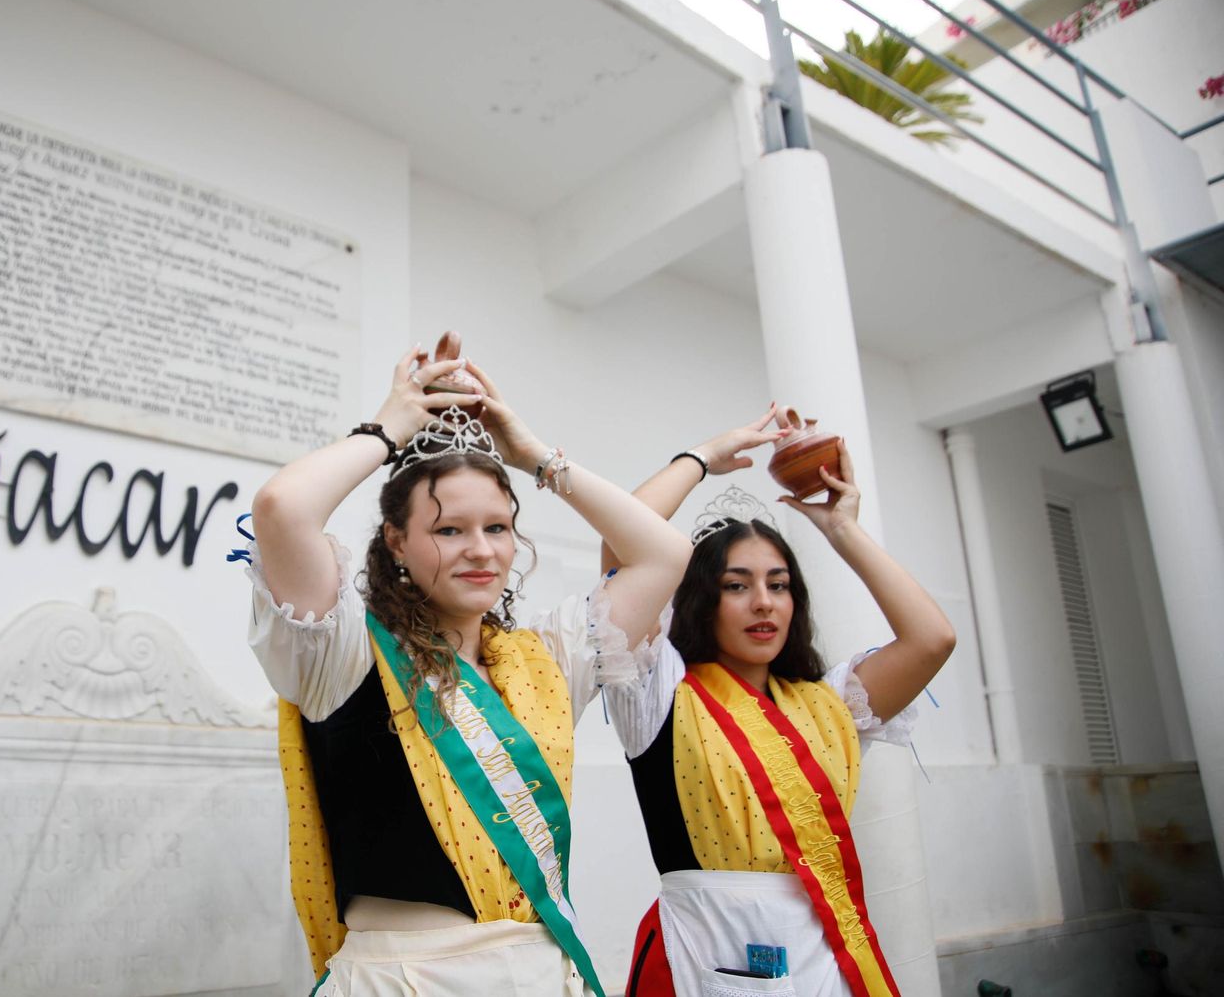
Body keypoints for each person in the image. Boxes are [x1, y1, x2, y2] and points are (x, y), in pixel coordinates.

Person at [246, 343, 693, 996]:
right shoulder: (344, 654)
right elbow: (282, 508)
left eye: (498, 527)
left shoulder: (545, 665)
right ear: (395, 541)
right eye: (450, 530)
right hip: (405, 979)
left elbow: (664, 554)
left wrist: (533, 455)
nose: (481, 550)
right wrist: (386, 429)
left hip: (543, 971)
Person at [601, 406, 956, 997]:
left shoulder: (829, 704)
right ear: (699, 600)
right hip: (704, 952)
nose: (763, 602)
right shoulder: (659, 689)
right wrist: (704, 459)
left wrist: (843, 529)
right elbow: (621, 537)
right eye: (736, 585)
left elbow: (932, 638)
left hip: (826, 954)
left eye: (779, 584)